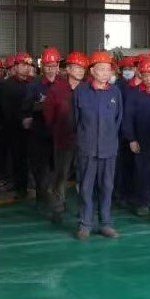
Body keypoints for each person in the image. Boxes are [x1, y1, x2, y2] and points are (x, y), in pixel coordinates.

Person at [72, 51, 123, 240]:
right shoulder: (81, 91)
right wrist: (84, 139)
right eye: (101, 69)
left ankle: (105, 223)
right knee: (86, 187)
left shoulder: (115, 92)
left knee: (107, 187)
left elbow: (118, 119)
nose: (105, 73)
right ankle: (85, 224)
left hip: (108, 148)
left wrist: (110, 139)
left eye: (108, 69)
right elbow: (76, 120)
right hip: (87, 148)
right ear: (92, 71)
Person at [43, 51, 88, 224]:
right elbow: (49, 116)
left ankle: (83, 209)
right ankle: (58, 207)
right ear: (68, 69)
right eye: (76, 67)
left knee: (84, 175)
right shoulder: (57, 90)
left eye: (82, 68)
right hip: (63, 140)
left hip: (84, 142)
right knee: (61, 174)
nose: (80, 71)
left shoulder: (87, 89)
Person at [122, 57, 150, 216]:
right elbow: (127, 117)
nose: (149, 78)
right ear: (140, 75)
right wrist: (131, 139)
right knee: (143, 173)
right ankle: (143, 203)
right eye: (146, 75)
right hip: (142, 141)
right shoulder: (134, 93)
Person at [24, 47, 61, 210]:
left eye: (54, 66)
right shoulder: (34, 86)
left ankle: (56, 197)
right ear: (42, 67)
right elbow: (26, 108)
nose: (51, 69)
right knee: (41, 167)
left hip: (59, 135)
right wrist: (41, 107)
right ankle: (42, 198)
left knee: (57, 167)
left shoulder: (64, 84)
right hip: (40, 133)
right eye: (48, 66)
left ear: (58, 66)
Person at [0, 51, 33, 198]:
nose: (26, 68)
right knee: (16, 158)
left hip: (32, 129)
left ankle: (29, 184)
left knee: (30, 159)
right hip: (13, 129)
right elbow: (2, 108)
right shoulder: (6, 85)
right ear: (15, 67)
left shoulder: (33, 83)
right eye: (22, 65)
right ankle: (19, 187)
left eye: (28, 65)